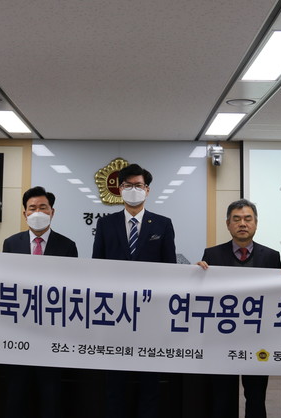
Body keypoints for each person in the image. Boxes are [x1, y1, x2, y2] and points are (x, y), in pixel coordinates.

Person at [92, 163, 176, 418]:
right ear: (120, 190)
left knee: (150, 383)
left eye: (138, 185)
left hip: (151, 316)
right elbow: (97, 267)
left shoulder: (162, 224)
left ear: (147, 190)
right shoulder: (106, 224)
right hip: (115, 315)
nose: (133, 190)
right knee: (114, 383)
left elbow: (170, 269)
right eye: (128, 185)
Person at [196, 199, 281, 418]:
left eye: (247, 219)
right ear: (228, 224)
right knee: (223, 398)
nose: (242, 223)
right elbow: (203, 295)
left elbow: (278, 297)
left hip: (258, 340)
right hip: (222, 340)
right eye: (236, 219)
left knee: (256, 398)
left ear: (256, 223)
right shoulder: (212, 255)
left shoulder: (271, 256)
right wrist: (195, 275)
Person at [1, 186, 77, 418]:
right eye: (32, 208)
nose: (37, 212)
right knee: (16, 393)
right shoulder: (11, 244)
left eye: (43, 207)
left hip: (52, 333)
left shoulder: (67, 246)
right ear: (24, 213)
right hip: (19, 332)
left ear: (52, 212)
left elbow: (72, 289)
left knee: (50, 394)